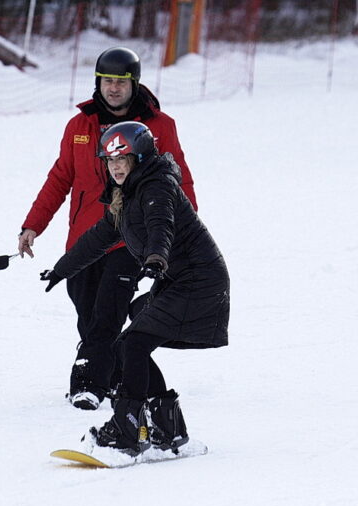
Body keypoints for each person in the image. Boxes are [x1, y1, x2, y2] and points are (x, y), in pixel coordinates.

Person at [17, 46, 197, 411]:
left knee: (107, 313)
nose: (113, 88)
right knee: (90, 316)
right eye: (107, 81)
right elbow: (60, 178)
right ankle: (130, 378)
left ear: (135, 84)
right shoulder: (78, 127)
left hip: (130, 239)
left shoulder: (160, 127)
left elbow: (181, 182)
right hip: (84, 240)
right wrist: (33, 225)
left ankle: (88, 385)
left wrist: (182, 234)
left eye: (121, 81)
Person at [40, 121, 228, 457]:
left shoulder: (156, 188)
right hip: (180, 281)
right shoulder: (125, 197)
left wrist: (156, 259)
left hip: (198, 282)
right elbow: (97, 238)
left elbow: (161, 227)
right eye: (110, 161)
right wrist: (62, 269)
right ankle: (167, 429)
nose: (115, 167)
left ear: (139, 158)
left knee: (131, 344)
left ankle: (127, 430)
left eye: (122, 159)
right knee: (132, 337)